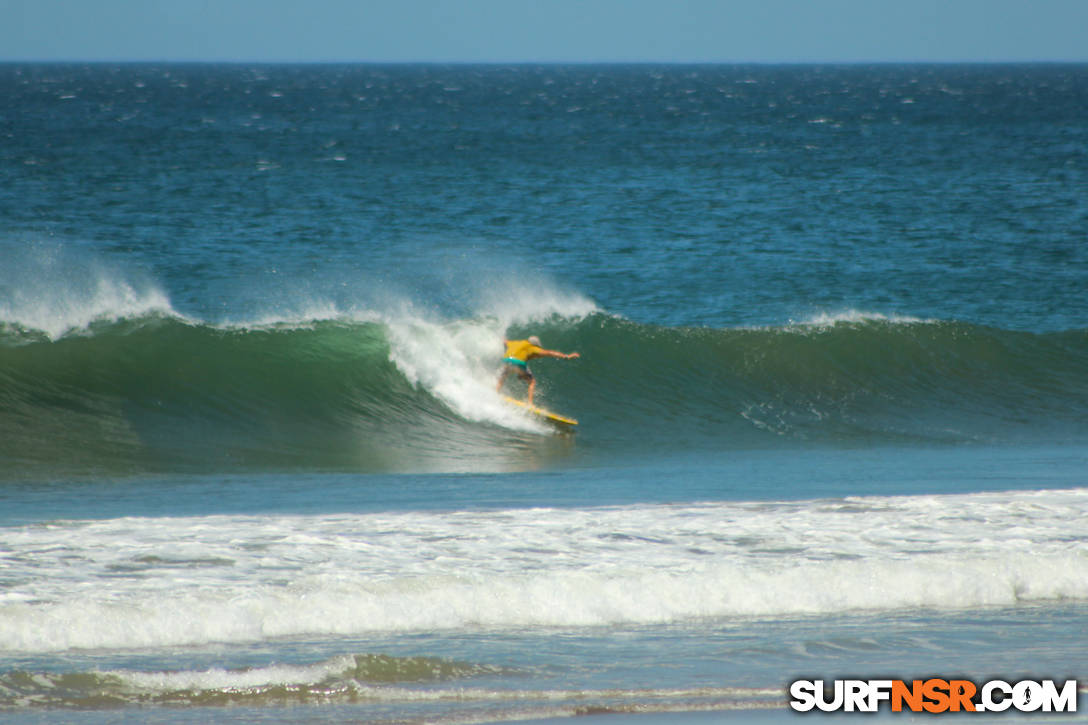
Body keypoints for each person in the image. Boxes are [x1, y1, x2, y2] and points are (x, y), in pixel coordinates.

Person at [496, 335, 580, 405]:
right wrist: (567, 356)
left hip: (506, 360)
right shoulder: (532, 347)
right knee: (532, 382)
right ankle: (530, 404)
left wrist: (502, 336)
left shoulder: (514, 343)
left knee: (503, 376)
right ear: (535, 345)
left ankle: (496, 392)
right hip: (518, 362)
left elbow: (505, 342)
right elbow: (550, 353)